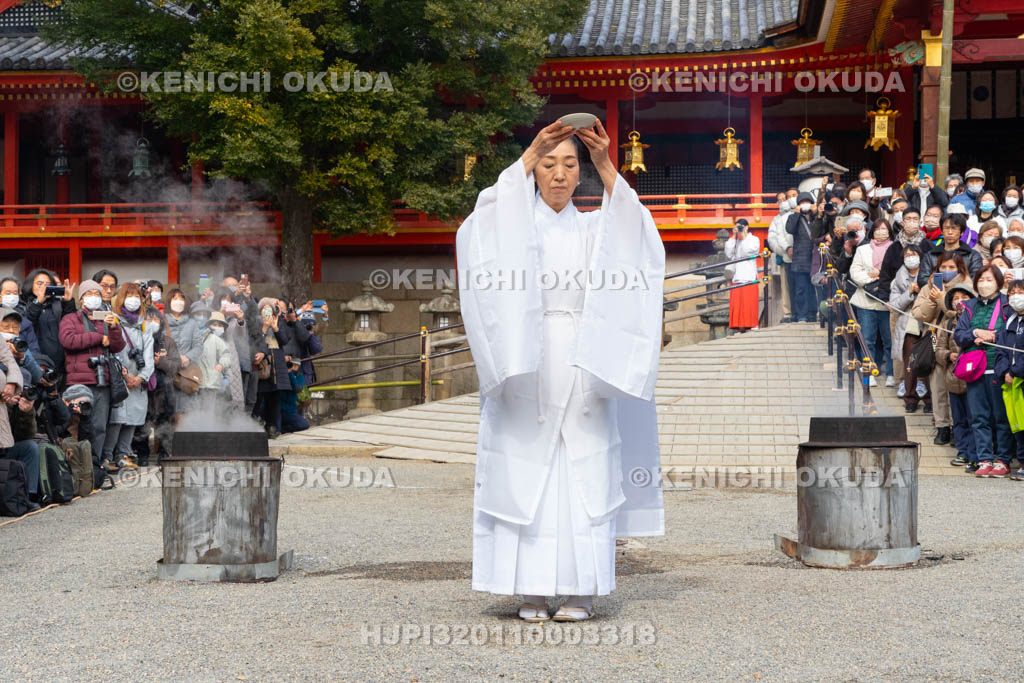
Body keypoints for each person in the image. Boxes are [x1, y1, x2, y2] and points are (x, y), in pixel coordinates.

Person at [458, 119, 664, 622]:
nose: (558, 174)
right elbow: (475, 229)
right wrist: (530, 153)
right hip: (524, 355)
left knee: (582, 467)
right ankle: (529, 589)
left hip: (583, 354)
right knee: (527, 465)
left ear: (580, 174)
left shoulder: (595, 227)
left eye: (569, 165)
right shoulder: (512, 223)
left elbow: (637, 232)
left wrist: (606, 164)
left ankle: (581, 589)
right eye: (549, 165)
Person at [953, 265, 1013, 477]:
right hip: (975, 369)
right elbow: (958, 335)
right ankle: (984, 458)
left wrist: (995, 336)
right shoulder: (969, 306)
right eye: (980, 279)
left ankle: (1003, 459)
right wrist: (975, 333)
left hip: (998, 368)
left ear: (998, 282)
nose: (984, 283)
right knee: (979, 417)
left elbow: (1012, 333)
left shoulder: (1007, 304)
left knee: (1001, 417)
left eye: (989, 279)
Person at [58, 279, 126, 462]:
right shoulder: (71, 318)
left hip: (102, 380)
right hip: (79, 381)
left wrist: (114, 328)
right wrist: (98, 337)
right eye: (89, 294)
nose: (93, 297)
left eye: (97, 294)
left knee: (99, 426)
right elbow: (68, 340)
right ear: (81, 298)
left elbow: (118, 346)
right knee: (77, 424)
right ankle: (74, 464)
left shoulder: (106, 317)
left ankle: (94, 466)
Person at [912, 252, 969, 445]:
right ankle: (942, 426)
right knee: (937, 385)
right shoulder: (929, 286)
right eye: (943, 267)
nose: (946, 271)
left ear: (959, 269)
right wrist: (932, 298)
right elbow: (919, 314)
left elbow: (961, 313)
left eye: (951, 267)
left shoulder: (966, 287)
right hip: (935, 340)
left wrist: (944, 298)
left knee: (957, 385)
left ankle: (957, 427)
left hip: (957, 341)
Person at [104, 283, 153, 471]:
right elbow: (113, 350)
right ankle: (107, 455)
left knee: (133, 416)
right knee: (117, 418)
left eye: (136, 295)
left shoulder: (144, 324)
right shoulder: (113, 320)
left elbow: (149, 355)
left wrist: (141, 377)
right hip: (119, 376)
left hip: (138, 380)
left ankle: (124, 453)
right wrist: (125, 374)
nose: (133, 299)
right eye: (128, 295)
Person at [937, 284, 976, 469]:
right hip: (953, 378)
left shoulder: (976, 320)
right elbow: (938, 349)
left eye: (964, 297)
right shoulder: (947, 323)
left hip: (973, 377)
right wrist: (948, 355)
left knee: (974, 417)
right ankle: (962, 452)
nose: (960, 301)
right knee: (958, 419)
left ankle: (974, 453)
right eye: (955, 298)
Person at [850, 220, 894, 386]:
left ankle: (891, 373)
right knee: (867, 339)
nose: (881, 232)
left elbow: (897, 271)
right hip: (866, 300)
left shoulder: (895, 248)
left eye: (884, 228)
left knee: (889, 340)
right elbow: (855, 271)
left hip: (888, 301)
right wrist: (871, 280)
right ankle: (869, 372)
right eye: (877, 229)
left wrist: (881, 275)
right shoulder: (862, 249)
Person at [890, 244, 928, 411]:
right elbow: (894, 305)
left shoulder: (929, 275)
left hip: (928, 326)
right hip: (909, 326)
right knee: (910, 363)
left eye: (914, 254)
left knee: (929, 362)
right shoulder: (898, 278)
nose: (911, 257)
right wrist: (909, 293)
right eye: (907, 254)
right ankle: (910, 398)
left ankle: (929, 399)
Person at [995, 278, 1024, 480]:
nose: (1015, 296)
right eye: (1012, 293)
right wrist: (1005, 371)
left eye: (1020, 292)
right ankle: (1022, 463)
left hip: (1020, 378)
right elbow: (1001, 350)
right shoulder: (1010, 320)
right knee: (1017, 424)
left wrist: (1015, 372)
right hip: (1010, 382)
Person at [22, 269, 77, 374]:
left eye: (48, 284)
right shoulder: (23, 303)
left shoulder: (56, 303)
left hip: (60, 362)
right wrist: (38, 302)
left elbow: (69, 323)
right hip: (34, 363)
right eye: (39, 283)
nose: (44, 287)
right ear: (30, 284)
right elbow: (27, 324)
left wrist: (68, 302)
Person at [255, 298, 292, 437]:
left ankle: (272, 427)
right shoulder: (256, 322)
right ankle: (257, 423)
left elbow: (284, 340)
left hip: (277, 364)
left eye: (269, 308)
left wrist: (275, 327)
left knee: (275, 397)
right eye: (264, 308)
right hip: (263, 364)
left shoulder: (279, 321)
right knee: (259, 395)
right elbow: (255, 339)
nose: (267, 311)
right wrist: (264, 327)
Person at [918, 214, 983, 287]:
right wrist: (940, 286)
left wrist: (952, 288)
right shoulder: (930, 255)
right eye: (946, 228)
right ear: (941, 231)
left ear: (961, 232)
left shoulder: (972, 255)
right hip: (935, 294)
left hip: (962, 295)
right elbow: (922, 279)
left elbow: (975, 279)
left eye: (954, 228)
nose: (950, 232)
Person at [785, 192, 820, 322]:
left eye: (807, 202)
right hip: (800, 259)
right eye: (802, 202)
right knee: (800, 289)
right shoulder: (794, 217)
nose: (805, 205)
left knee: (814, 288)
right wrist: (796, 213)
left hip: (815, 258)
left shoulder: (817, 217)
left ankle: (813, 313)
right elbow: (789, 229)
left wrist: (816, 213)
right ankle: (801, 315)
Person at [724, 218, 760, 332]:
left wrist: (744, 237)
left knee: (749, 302)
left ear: (747, 227)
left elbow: (749, 251)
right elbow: (728, 253)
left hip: (749, 274)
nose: (739, 228)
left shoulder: (754, 239)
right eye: (737, 226)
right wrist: (733, 236)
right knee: (738, 304)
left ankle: (753, 324)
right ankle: (739, 326)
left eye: (741, 226)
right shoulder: (736, 241)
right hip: (737, 274)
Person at [767, 191, 796, 321]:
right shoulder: (776, 219)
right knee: (786, 286)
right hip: (785, 256)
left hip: (800, 256)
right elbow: (772, 239)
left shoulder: (797, 213)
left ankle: (802, 312)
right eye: (780, 200)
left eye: (785, 198)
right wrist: (784, 250)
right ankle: (788, 313)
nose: (783, 201)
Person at [280, 358, 310, 434]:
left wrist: (290, 373)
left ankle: (281, 429)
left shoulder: (299, 376)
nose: (294, 367)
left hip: (290, 411)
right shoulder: (281, 374)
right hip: (279, 409)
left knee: (304, 425)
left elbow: (297, 389)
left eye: (297, 365)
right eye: (293, 364)